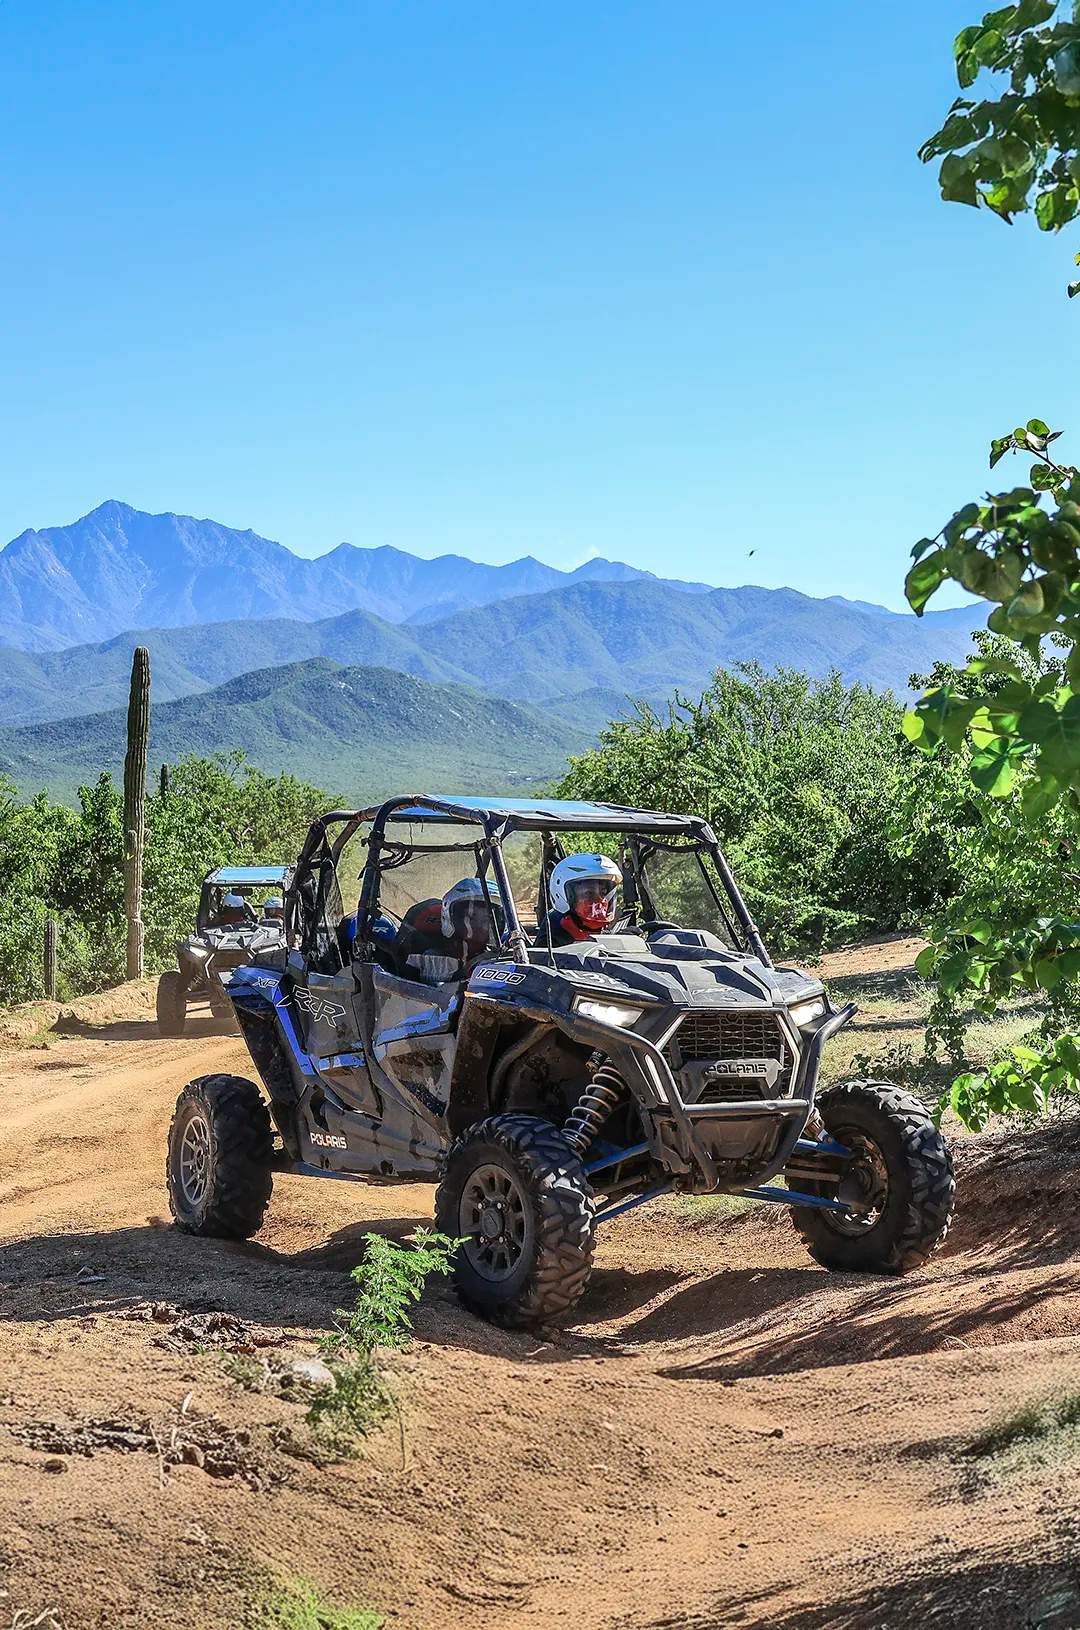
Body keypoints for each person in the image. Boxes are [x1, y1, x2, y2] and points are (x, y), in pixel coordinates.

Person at [400, 877, 496, 983]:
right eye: (471, 917)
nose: (480, 925)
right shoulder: (429, 957)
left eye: (486, 919)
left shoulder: (495, 957)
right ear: (449, 917)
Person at [535, 854, 622, 948]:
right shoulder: (554, 928)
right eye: (589, 893)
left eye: (603, 893)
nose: (600, 901)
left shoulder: (608, 928)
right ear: (561, 893)